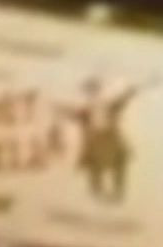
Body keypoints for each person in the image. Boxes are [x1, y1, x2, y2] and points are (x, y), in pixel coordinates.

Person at [62, 75, 149, 203]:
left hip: (111, 138)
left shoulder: (109, 105)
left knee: (120, 162)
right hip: (95, 140)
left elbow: (121, 101)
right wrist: (65, 112)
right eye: (90, 91)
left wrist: (131, 92)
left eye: (95, 90)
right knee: (94, 164)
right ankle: (97, 190)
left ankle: (118, 192)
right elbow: (76, 114)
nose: (93, 94)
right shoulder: (87, 109)